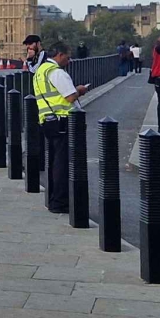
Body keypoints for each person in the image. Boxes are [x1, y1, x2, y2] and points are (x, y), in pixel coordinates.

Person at [32, 42, 90, 215]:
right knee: (62, 164)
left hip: (47, 120)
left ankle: (53, 199)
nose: (69, 59)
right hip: (62, 121)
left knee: (55, 162)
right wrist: (80, 90)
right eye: (67, 56)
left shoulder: (40, 72)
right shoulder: (57, 72)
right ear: (59, 55)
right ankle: (59, 202)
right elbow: (70, 96)